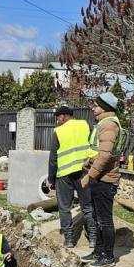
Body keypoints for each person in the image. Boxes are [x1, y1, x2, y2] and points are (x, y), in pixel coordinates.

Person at [80, 92, 122, 267]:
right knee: (97, 218)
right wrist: (88, 163)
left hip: (105, 180)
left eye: (96, 105)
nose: (93, 108)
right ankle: (98, 252)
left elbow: (105, 156)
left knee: (104, 220)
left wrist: (90, 176)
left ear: (105, 108)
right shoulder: (104, 124)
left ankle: (108, 256)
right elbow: (101, 153)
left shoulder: (109, 126)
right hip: (100, 177)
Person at [47, 105, 97, 249]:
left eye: (58, 117)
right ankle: (93, 239)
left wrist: (51, 179)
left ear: (63, 116)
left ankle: (69, 241)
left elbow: (53, 158)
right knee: (87, 206)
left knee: (64, 208)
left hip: (64, 175)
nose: (57, 120)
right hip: (83, 172)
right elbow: (94, 146)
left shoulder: (58, 131)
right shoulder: (85, 125)